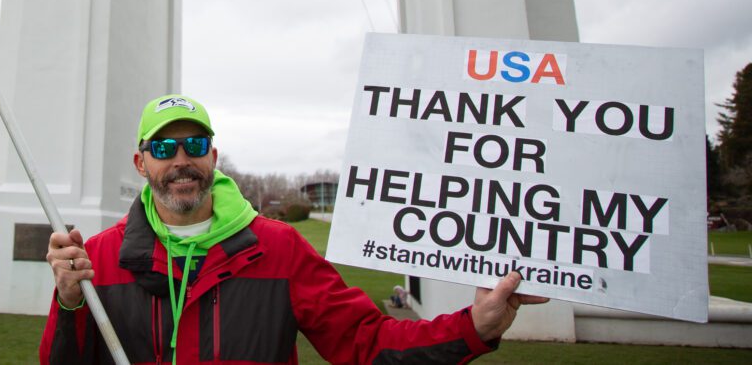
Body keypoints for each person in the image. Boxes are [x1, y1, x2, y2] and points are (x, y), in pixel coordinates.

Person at [41, 94, 547, 364]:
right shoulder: (99, 257)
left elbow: (366, 344)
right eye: (164, 148)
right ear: (140, 161)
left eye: (195, 147)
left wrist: (473, 327)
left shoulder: (277, 247)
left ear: (213, 157)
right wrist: (69, 304)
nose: (181, 161)